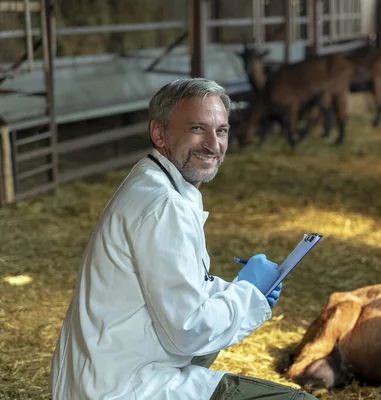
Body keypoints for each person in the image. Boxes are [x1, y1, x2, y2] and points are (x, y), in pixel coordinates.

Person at [49, 78, 317, 400]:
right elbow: (188, 331)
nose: (213, 144)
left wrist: (237, 290)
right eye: (196, 129)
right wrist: (247, 293)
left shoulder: (154, 179)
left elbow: (172, 286)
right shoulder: (165, 206)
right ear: (159, 133)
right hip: (124, 386)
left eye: (221, 131)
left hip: (106, 369)